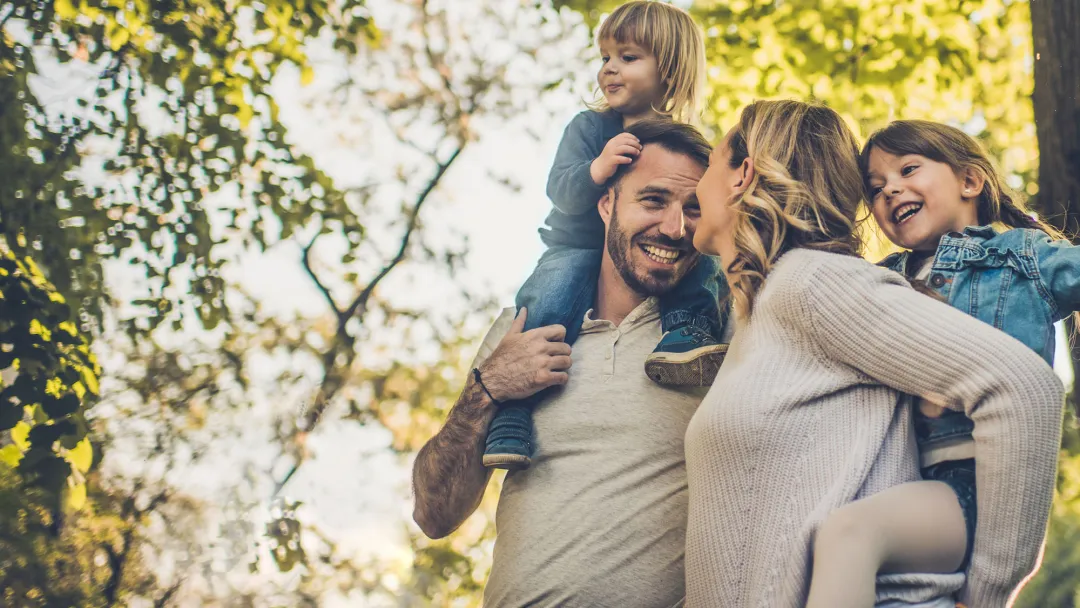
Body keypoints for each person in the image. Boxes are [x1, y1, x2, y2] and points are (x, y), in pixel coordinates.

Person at [686, 100, 1063, 607]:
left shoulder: (810, 283)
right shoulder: (763, 309)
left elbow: (1022, 386)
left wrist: (989, 592)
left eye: (709, 164)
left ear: (742, 174)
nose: (694, 189)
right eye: (879, 185)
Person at [413, 119, 716, 607]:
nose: (674, 228)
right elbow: (434, 513)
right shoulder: (524, 327)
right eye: (653, 201)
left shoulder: (714, 338)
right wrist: (487, 387)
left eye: (693, 209)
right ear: (606, 204)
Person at [806, 119, 1080, 608]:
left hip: (977, 484)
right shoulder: (881, 280)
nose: (891, 189)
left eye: (908, 168)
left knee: (849, 534)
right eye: (875, 188)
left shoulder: (1019, 255)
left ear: (970, 181)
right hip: (902, 477)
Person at [483, 0, 728, 472]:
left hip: (651, 254)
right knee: (548, 300)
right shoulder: (590, 128)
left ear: (670, 68)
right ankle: (513, 415)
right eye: (605, 58)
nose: (609, 69)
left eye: (628, 58)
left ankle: (687, 335)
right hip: (578, 248)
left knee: (705, 264)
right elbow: (560, 190)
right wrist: (598, 168)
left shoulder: (687, 144)